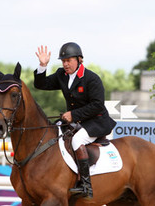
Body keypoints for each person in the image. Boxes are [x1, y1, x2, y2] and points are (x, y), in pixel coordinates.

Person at [34, 42, 116, 199]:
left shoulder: (92, 79)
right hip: (75, 121)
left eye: (69, 60)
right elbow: (41, 84)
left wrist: (74, 115)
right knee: (53, 132)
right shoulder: (62, 75)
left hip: (96, 121)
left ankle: (85, 185)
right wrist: (42, 66)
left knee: (77, 140)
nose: (65, 64)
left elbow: (98, 105)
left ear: (79, 60)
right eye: (63, 61)